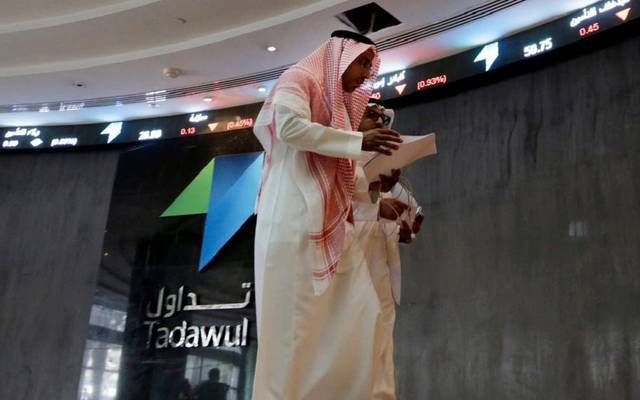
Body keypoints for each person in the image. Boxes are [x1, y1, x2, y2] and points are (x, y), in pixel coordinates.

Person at [252, 31, 403, 400]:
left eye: (370, 66)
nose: (366, 74)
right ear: (340, 57)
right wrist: (357, 140)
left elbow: (343, 181)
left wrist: (375, 194)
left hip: (331, 227)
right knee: (295, 330)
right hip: (292, 219)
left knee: (363, 318)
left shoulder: (339, 115)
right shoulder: (299, 78)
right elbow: (289, 127)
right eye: (362, 63)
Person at [353, 103, 425, 400]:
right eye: (371, 115)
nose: (380, 121)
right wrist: (375, 208)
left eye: (383, 118)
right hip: (344, 274)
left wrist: (395, 194)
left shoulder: (388, 173)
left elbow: (412, 223)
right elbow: (328, 213)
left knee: (379, 358)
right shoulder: (336, 162)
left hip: (378, 274)